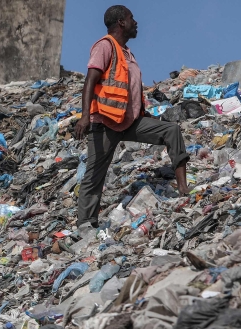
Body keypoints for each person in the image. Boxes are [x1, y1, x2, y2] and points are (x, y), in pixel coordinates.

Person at [74, 5, 190, 228]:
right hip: (106, 123)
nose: (135, 22)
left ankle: (183, 189)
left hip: (130, 122)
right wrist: (85, 116)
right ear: (121, 22)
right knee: (95, 174)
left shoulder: (128, 53)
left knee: (171, 130)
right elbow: (90, 80)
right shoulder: (105, 46)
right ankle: (86, 223)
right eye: (131, 18)